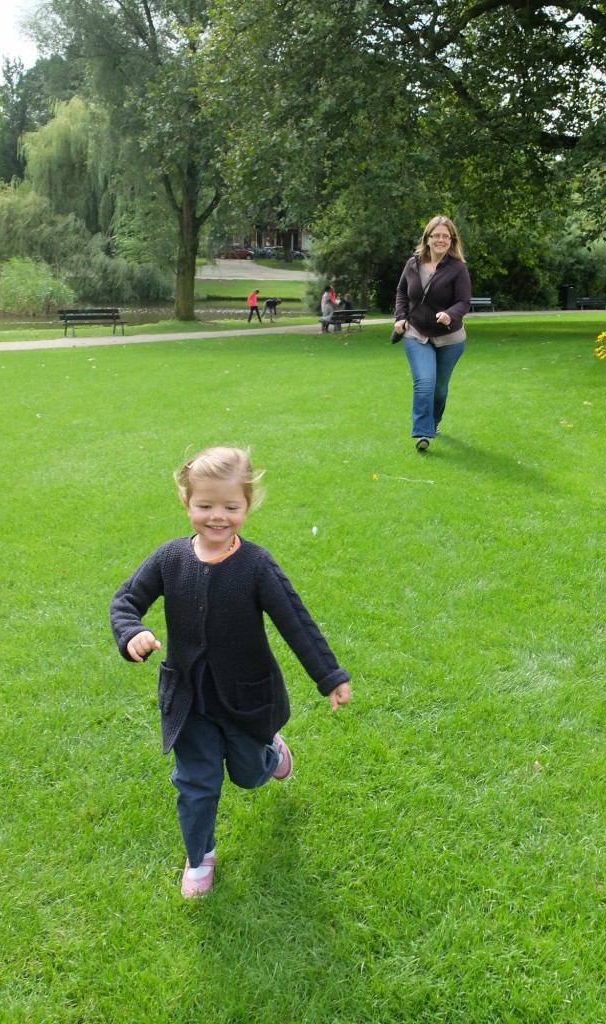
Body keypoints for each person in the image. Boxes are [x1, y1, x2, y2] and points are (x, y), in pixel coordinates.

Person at [110, 446, 352, 898]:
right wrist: (131, 633)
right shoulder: (169, 559)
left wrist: (330, 676)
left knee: (247, 775)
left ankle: (271, 753)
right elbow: (125, 602)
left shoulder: (257, 566)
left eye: (230, 506)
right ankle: (199, 856)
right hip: (189, 701)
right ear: (187, 502)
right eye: (205, 505)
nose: (217, 516)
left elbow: (295, 622)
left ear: (247, 505)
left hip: (245, 699)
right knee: (195, 783)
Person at [394, 215, 471, 452]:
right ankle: (422, 432)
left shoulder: (457, 268)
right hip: (416, 333)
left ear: (451, 240)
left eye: (445, 236)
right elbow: (402, 292)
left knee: (439, 388)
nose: (440, 240)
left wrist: (450, 314)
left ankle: (434, 423)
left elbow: (463, 301)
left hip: (450, 338)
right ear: (427, 238)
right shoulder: (412, 264)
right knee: (425, 383)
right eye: (435, 235)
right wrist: (400, 318)